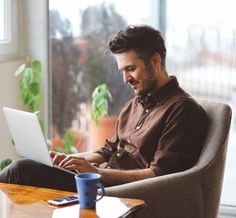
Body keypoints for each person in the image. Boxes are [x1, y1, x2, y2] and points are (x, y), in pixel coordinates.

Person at [0, 25, 207, 191]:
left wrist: (96, 173)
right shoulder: (135, 104)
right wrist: (72, 160)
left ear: (155, 61)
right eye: (122, 70)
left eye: (130, 69)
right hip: (98, 179)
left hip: (117, 191)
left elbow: (160, 174)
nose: (126, 79)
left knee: (21, 171)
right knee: (28, 169)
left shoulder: (182, 110)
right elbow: (109, 151)